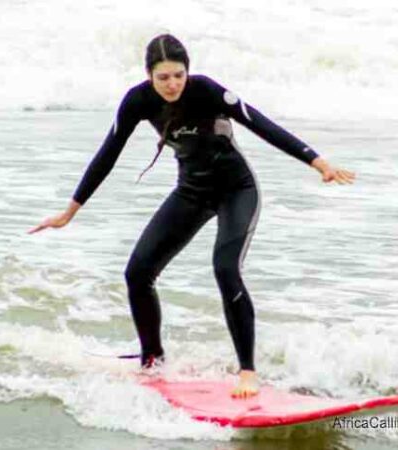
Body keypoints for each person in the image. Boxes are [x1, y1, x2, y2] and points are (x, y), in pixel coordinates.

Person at [29, 34, 355, 398]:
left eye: (178, 75)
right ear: (149, 75)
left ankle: (248, 372)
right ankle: (152, 362)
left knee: (225, 268)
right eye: (163, 77)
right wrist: (69, 211)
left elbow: (261, 124)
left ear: (188, 72)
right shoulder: (138, 101)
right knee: (138, 272)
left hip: (236, 190)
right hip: (191, 193)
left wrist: (317, 161)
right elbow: (108, 154)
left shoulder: (207, 91)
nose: (172, 84)